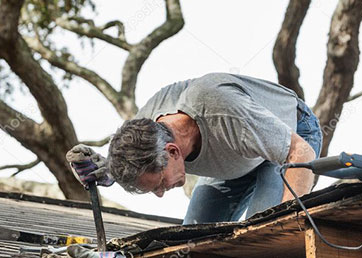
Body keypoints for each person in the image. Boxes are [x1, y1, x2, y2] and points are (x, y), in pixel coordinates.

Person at [66, 73, 323, 224]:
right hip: (236, 153)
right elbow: (130, 165)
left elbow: (300, 152)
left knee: (264, 228)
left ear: (173, 151)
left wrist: (289, 225)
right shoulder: (143, 131)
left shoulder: (224, 112)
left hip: (290, 136)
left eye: (159, 184)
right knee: (191, 241)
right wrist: (105, 171)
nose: (160, 194)